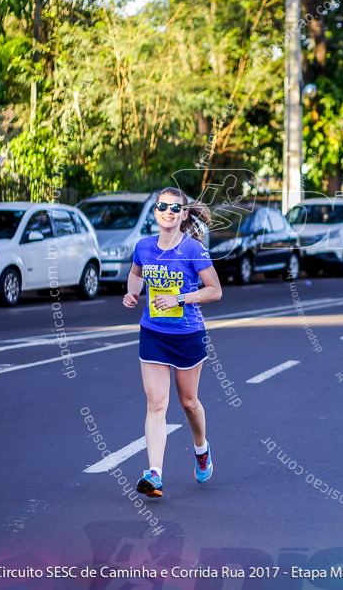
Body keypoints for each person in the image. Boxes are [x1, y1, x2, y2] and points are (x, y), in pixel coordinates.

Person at [122, 188, 222, 498]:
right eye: (163, 206)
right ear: (155, 211)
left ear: (183, 214)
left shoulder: (193, 249)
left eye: (174, 208)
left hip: (187, 334)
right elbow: (136, 273)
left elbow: (214, 290)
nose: (168, 211)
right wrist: (133, 292)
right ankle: (155, 475)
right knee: (156, 403)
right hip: (153, 333)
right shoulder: (144, 247)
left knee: (189, 403)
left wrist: (178, 297)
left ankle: (201, 449)